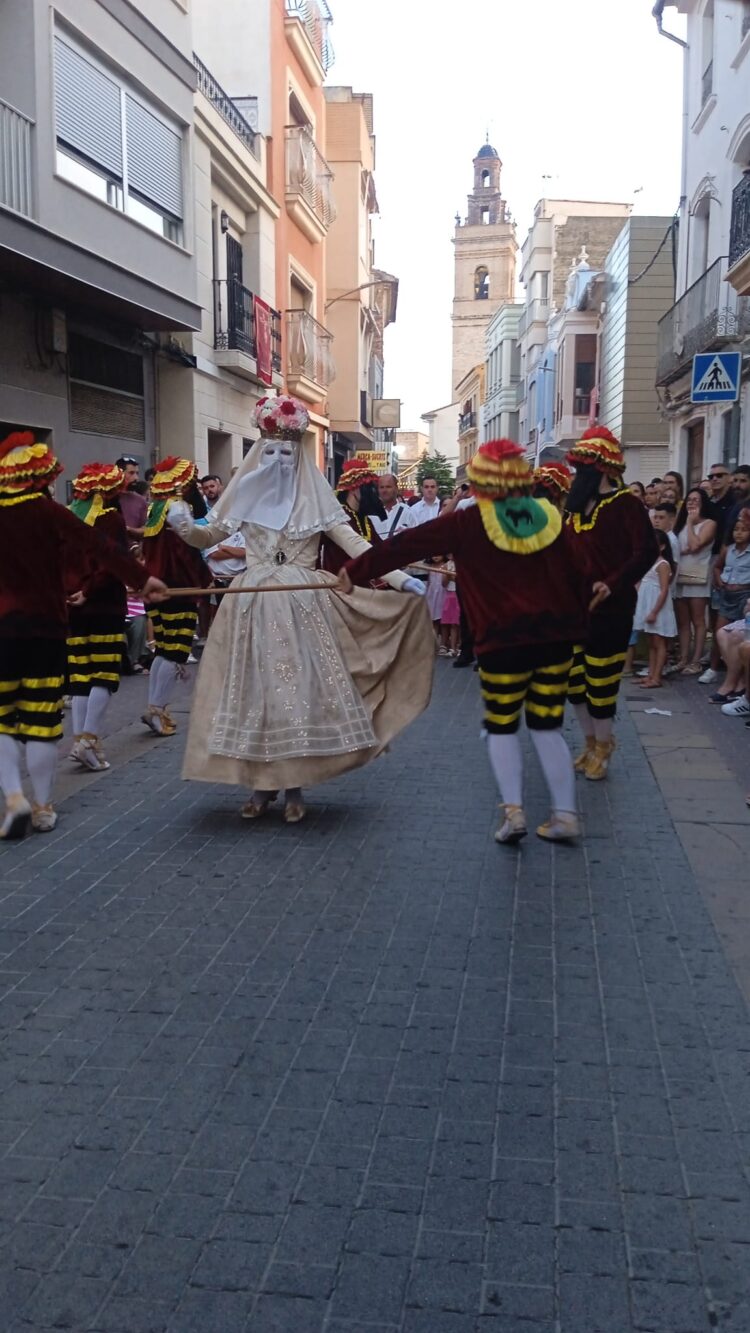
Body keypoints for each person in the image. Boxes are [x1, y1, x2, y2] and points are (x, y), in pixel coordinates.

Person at [166, 395, 433, 825]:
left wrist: (401, 578)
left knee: (296, 695)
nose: (277, 460)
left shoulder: (317, 500)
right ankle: (260, 785)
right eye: (267, 451)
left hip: (302, 606)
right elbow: (210, 534)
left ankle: (293, 786)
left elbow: (355, 544)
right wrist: (184, 526)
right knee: (256, 696)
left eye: (285, 451)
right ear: (257, 455)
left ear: (298, 454)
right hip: (251, 607)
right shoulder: (244, 498)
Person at [339, 438, 591, 844]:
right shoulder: (551, 518)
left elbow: (408, 544)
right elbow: (582, 571)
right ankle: (564, 814)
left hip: (502, 642)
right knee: (547, 726)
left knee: (502, 726)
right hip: (555, 641)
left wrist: (356, 569)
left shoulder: (468, 522)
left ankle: (514, 813)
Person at [0, 432, 166, 839]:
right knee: (40, 720)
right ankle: (41, 807)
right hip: (46, 628)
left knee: (2, 721)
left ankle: (12, 798)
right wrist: (143, 579)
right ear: (40, 478)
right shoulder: (51, 512)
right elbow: (102, 546)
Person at [565, 426, 657, 780]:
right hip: (575, 609)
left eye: (583, 468)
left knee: (600, 682)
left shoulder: (626, 506)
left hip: (612, 609)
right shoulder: (573, 512)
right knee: (574, 683)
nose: (577, 475)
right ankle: (589, 743)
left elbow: (646, 550)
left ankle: (604, 747)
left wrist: (614, 582)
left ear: (601, 468)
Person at [66, 462, 131, 772]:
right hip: (102, 604)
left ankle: (81, 739)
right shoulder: (110, 519)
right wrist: (89, 591)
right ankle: (87, 741)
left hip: (73, 604)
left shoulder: (68, 518)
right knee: (103, 674)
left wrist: (73, 592)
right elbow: (112, 562)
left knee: (81, 676)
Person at [141, 457, 212, 736]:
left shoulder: (156, 507)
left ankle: (155, 706)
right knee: (176, 650)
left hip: (159, 584)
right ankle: (157, 708)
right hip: (178, 586)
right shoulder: (178, 508)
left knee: (164, 649)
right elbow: (188, 547)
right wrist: (202, 579)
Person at [672, 487, 717, 674]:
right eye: (689, 500)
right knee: (683, 622)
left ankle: (696, 660)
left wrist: (691, 523)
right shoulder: (679, 523)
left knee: (698, 620)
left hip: (698, 576)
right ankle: (683, 658)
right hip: (680, 575)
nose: (691, 503)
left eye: (696, 500)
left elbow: (695, 544)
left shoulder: (709, 523)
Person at [632, 530, 677, 689]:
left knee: (659, 642)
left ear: (662, 546)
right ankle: (650, 674)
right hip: (647, 604)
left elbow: (664, 589)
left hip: (658, 606)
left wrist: (654, 611)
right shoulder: (648, 562)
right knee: (652, 642)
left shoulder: (662, 564)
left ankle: (656, 677)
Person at [371, 474, 417, 539]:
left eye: (388, 487)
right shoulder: (371, 514)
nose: (384, 490)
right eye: (381, 487)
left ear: (396, 489)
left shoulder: (408, 512)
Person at [116, 455, 148, 540]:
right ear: (119, 473)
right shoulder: (107, 498)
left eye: (137, 473)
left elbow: (146, 529)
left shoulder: (141, 501)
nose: (136, 478)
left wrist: (130, 530)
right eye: (131, 473)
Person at [439, 558, 461, 656]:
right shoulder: (447, 564)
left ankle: (459, 646)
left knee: (458, 623)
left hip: (461, 594)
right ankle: (451, 648)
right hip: (450, 594)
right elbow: (444, 584)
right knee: (449, 622)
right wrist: (446, 575)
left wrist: (452, 576)